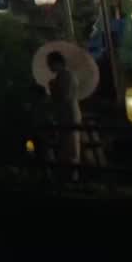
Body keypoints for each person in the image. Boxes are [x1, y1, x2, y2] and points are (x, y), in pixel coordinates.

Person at [46, 51, 82, 180]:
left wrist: (53, 87)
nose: (49, 67)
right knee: (66, 147)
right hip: (64, 115)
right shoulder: (62, 76)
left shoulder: (66, 76)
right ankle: (68, 176)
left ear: (58, 63)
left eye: (50, 63)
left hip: (69, 114)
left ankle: (72, 177)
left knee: (70, 147)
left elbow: (64, 96)